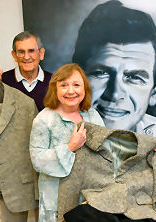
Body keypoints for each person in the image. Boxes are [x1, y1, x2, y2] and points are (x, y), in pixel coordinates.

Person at [72, 0, 156, 177]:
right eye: (101, 72)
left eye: (134, 77)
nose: (115, 94)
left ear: (155, 90)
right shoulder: (52, 137)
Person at [29, 63, 105, 222]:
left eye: (76, 85)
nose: (71, 91)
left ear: (84, 88)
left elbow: (108, 148)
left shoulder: (92, 115)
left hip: (87, 198)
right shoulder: (44, 120)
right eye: (64, 85)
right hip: (55, 201)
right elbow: (37, 160)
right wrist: (70, 147)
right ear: (55, 89)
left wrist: (147, 149)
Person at [0, 31, 52, 111]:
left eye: (31, 51)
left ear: (41, 53)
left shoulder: (55, 82)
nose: (26, 57)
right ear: (14, 56)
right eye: (21, 52)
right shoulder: (1, 82)